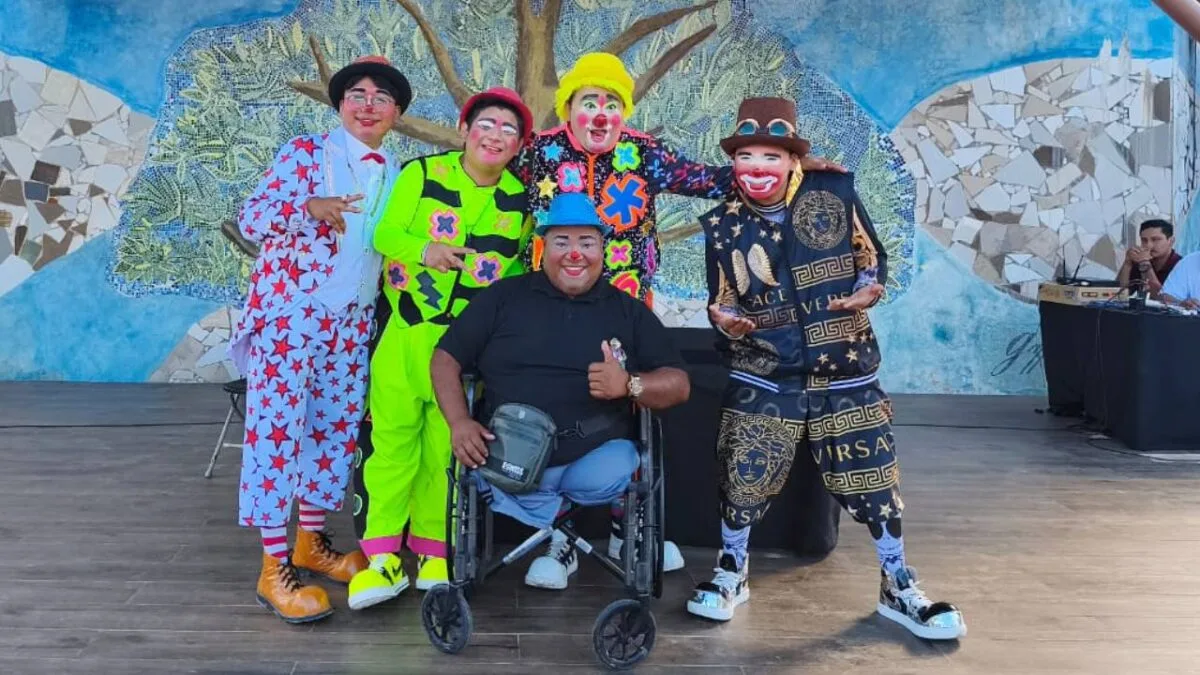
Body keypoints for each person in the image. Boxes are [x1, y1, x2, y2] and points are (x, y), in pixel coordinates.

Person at [514, 52, 845, 583]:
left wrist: (792, 170)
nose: (601, 113)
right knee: (559, 408)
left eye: (612, 103)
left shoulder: (642, 152)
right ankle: (562, 538)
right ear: (568, 106)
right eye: (589, 101)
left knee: (630, 412)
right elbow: (486, 171)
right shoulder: (538, 152)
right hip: (554, 308)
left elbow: (712, 180)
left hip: (625, 307)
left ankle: (628, 528)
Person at [685, 96, 967, 641]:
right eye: (746, 156)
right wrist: (726, 321)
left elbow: (870, 258)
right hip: (764, 370)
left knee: (875, 478)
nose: (757, 168)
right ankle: (731, 570)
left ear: (793, 160)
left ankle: (897, 582)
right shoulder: (722, 225)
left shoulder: (833, 193)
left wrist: (868, 290)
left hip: (845, 367)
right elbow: (721, 298)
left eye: (771, 156)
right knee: (743, 473)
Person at [228, 55, 411, 623]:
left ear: (396, 113)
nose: (368, 105)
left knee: (333, 433)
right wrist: (308, 206)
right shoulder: (307, 154)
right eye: (357, 94)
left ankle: (311, 543)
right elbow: (252, 217)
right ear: (339, 105)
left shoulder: (397, 172)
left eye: (382, 98)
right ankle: (273, 566)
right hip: (292, 316)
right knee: (277, 434)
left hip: (352, 322)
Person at [429, 192, 690, 588]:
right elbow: (445, 359)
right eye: (561, 242)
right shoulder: (503, 298)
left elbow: (679, 384)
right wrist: (459, 422)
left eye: (586, 242)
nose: (575, 254)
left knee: (625, 461)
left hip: (593, 460)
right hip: (506, 457)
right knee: (482, 473)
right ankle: (562, 534)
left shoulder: (627, 310)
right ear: (542, 248)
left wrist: (629, 384)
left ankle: (566, 535)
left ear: (602, 250)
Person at [348, 87, 535, 610]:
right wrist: (424, 248)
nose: (495, 136)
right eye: (486, 124)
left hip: (462, 349)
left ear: (519, 145)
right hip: (405, 333)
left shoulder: (520, 201)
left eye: (508, 130)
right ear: (464, 130)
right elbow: (383, 234)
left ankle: (434, 553)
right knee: (391, 446)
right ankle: (382, 556)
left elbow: (514, 274)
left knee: (443, 452)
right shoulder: (423, 175)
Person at [1117, 218, 1181, 298]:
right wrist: (1127, 263)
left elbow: (1159, 298)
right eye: (1144, 240)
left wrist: (1144, 263)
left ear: (1171, 241)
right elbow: (1117, 294)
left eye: (1155, 240)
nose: (1148, 245)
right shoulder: (1138, 261)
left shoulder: (1181, 265)